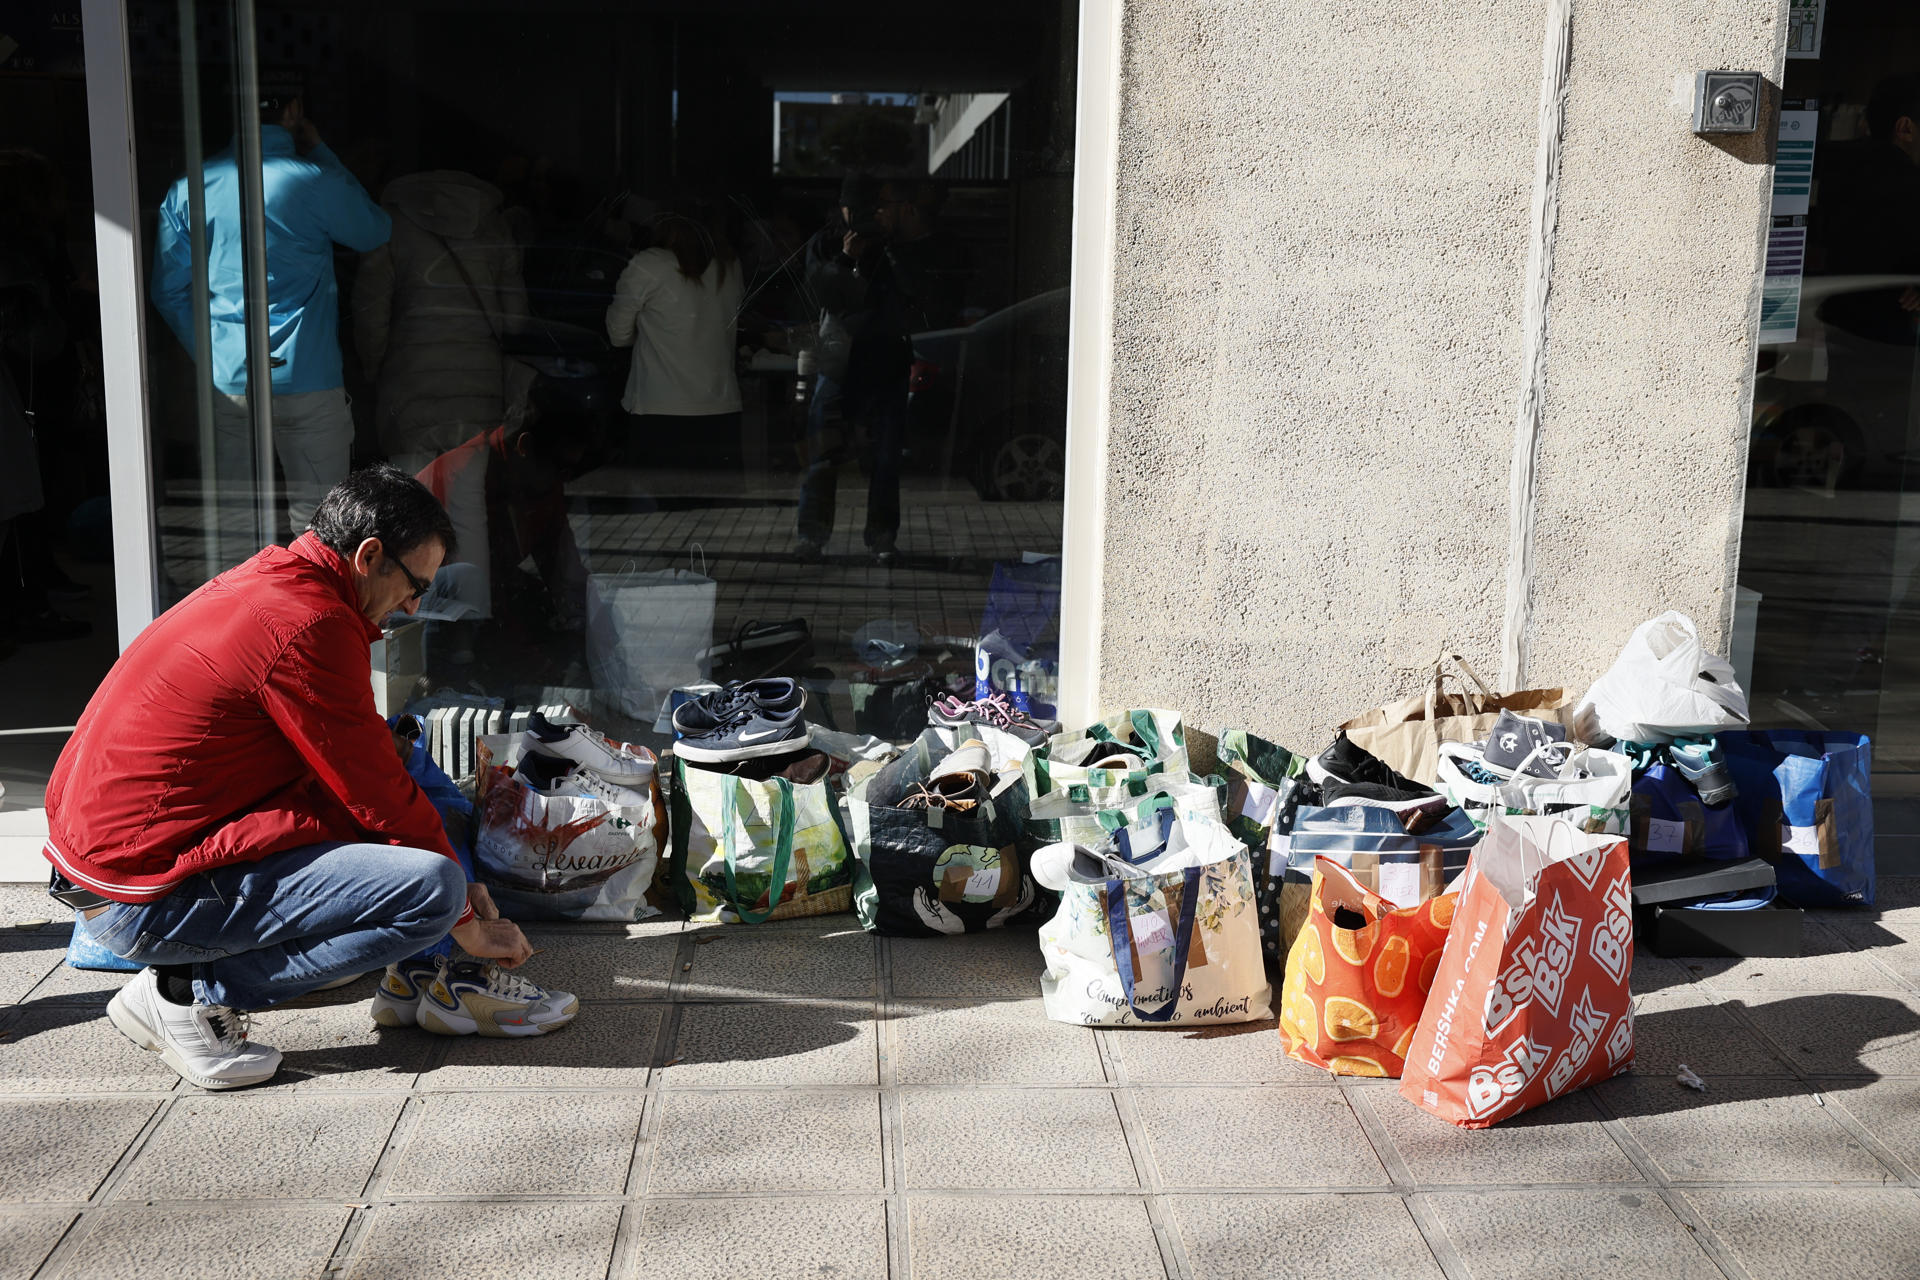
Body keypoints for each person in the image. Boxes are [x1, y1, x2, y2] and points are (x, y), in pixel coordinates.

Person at [42, 466, 575, 1092]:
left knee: (409, 779)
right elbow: (376, 796)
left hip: (105, 867)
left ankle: (416, 971)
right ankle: (187, 996)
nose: (413, 606)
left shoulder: (270, 580)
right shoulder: (310, 625)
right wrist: (462, 914)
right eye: (414, 586)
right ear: (369, 555)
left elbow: (368, 762)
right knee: (429, 889)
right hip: (139, 897)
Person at [150, 77, 392, 560]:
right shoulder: (311, 178)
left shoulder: (190, 187)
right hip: (308, 378)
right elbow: (374, 230)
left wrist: (214, 355)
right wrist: (320, 149)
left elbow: (168, 290)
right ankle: (313, 628)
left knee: (238, 523)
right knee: (322, 525)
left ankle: (247, 633)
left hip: (231, 383)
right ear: (294, 111)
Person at [414, 376, 605, 667]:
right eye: (561, 468)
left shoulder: (538, 480)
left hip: (485, 595)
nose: (563, 480)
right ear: (524, 446)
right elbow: (475, 588)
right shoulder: (467, 475)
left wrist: (591, 619)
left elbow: (562, 564)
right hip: (434, 610)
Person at [354, 170, 531, 473]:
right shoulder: (493, 226)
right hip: (478, 386)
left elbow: (371, 316)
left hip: (410, 385)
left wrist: (371, 368)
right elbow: (515, 320)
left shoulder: (389, 225)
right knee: (468, 504)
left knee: (409, 502)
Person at [794, 176, 916, 563]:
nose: (866, 218)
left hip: (885, 365)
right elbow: (820, 295)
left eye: (875, 209)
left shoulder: (893, 246)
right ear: (843, 209)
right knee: (823, 457)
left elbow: (915, 298)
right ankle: (812, 538)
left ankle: (882, 539)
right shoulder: (827, 242)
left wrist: (893, 240)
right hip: (839, 365)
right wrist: (847, 259)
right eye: (859, 210)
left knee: (884, 460)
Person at [604, 200, 745, 461]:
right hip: (722, 405)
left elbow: (618, 335)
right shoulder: (729, 265)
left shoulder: (650, 265)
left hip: (661, 407)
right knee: (716, 499)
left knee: (672, 496)